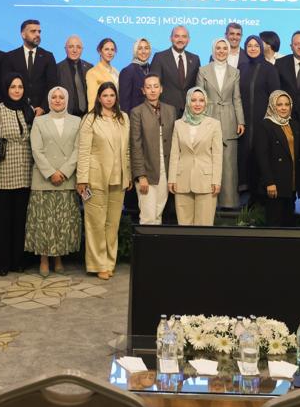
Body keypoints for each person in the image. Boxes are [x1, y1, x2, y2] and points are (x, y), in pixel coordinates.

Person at [0, 75, 35, 275]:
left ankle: (17, 261)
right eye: (13, 87)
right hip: (2, 174)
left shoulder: (28, 110)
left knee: (20, 221)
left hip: (25, 174)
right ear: (6, 89)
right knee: (1, 222)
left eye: (20, 86)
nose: (17, 90)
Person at [77, 81, 130, 278]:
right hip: (95, 178)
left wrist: (128, 175)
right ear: (99, 98)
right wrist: (82, 179)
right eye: (105, 95)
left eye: (112, 95)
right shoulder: (90, 119)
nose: (109, 99)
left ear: (116, 97)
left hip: (118, 178)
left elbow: (127, 150)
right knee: (95, 223)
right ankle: (98, 264)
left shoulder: (123, 118)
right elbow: (83, 151)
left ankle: (109, 262)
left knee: (112, 224)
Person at [26, 86, 82, 276]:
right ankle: (43, 259)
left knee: (61, 221)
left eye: (61, 97)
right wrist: (51, 173)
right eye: (54, 97)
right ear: (49, 100)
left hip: (66, 178)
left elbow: (78, 149)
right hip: (44, 179)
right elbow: (36, 150)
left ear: (67, 100)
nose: (58, 100)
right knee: (44, 222)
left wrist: (64, 172)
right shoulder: (39, 121)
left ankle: (58, 258)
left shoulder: (77, 121)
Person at [198, 38, 245, 209]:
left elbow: (237, 98)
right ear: (213, 50)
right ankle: (208, 202)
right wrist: (199, 121)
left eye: (225, 48)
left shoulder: (235, 72)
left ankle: (229, 203)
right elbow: (199, 97)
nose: (221, 51)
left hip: (229, 120)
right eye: (218, 48)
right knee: (207, 160)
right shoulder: (203, 70)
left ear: (229, 51)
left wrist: (241, 121)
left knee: (228, 163)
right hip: (208, 118)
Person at [168, 87, 223, 226]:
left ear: (206, 103)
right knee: (184, 227)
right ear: (188, 102)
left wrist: (216, 180)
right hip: (182, 181)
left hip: (206, 182)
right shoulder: (178, 124)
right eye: (193, 100)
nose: (197, 104)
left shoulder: (214, 124)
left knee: (204, 227)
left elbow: (217, 155)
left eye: (201, 100)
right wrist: (172, 178)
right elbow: (175, 154)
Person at [129, 74, 175, 225]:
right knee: (148, 217)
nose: (152, 90)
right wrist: (140, 175)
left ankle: (155, 241)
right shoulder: (137, 112)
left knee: (158, 215)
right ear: (143, 90)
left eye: (156, 86)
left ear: (161, 89)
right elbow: (135, 145)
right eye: (148, 87)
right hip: (147, 171)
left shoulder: (170, 110)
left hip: (165, 170)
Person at [238, 35, 279, 200]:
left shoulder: (270, 69)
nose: (253, 48)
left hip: (263, 122)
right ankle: (246, 197)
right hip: (244, 122)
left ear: (261, 48)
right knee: (244, 157)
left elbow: (275, 97)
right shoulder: (241, 68)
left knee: (261, 156)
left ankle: (260, 199)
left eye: (256, 45)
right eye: (249, 45)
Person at [253, 90, 299, 227]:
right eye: (279, 105)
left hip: (291, 183)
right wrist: (269, 182)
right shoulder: (265, 125)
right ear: (272, 106)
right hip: (275, 184)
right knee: (275, 224)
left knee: (289, 223)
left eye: (287, 104)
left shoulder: (293, 124)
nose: (284, 108)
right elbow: (262, 156)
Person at [0, 18, 58, 115]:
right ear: (23, 35)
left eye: (39, 31)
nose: (37, 34)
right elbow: (5, 85)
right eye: (33, 31)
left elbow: (52, 85)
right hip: (15, 111)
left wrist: (43, 108)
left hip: (42, 113)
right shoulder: (10, 57)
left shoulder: (48, 56)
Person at [151, 25, 200, 115]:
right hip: (166, 112)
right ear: (171, 38)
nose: (180, 40)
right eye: (177, 36)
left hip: (189, 112)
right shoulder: (159, 57)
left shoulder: (195, 59)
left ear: (188, 40)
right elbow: (154, 86)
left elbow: (197, 86)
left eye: (184, 36)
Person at [59, 35, 93, 116]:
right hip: (67, 116)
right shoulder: (57, 69)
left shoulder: (90, 68)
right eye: (71, 47)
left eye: (78, 47)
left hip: (88, 116)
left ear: (82, 49)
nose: (74, 50)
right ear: (65, 49)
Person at [118, 37, 153, 112]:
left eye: (146, 48)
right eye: (140, 48)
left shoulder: (153, 69)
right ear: (135, 51)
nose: (143, 51)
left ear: (150, 50)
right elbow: (124, 102)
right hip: (136, 116)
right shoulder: (127, 71)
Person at [85, 37, 120, 110]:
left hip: (116, 112)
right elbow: (92, 101)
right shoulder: (92, 73)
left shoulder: (116, 72)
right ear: (100, 51)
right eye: (106, 49)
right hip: (101, 113)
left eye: (112, 50)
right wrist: (93, 116)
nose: (110, 52)